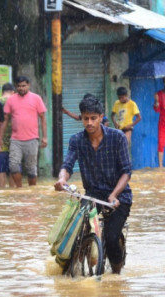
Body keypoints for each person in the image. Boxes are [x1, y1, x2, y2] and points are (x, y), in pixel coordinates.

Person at [54, 95, 132, 274]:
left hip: (119, 197)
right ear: (81, 118)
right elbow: (67, 165)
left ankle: (117, 276)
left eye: (93, 118)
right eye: (85, 118)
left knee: (112, 239)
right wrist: (62, 179)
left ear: (101, 117)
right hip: (92, 196)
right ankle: (76, 261)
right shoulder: (76, 140)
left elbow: (127, 171)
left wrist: (114, 195)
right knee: (73, 234)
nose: (89, 122)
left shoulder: (117, 137)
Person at [0, 75, 47, 187]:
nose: (21, 88)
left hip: (32, 139)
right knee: (13, 166)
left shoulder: (36, 98)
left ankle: (32, 189)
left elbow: (43, 118)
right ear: (16, 87)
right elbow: (5, 120)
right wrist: (0, 140)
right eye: (19, 86)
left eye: (24, 86)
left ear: (28, 85)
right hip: (15, 140)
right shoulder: (11, 100)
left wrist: (44, 137)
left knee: (31, 169)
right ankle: (19, 188)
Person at [0, 83, 15, 188]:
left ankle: (2, 189)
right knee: (13, 167)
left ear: (2, 92)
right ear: (13, 92)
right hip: (15, 139)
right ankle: (12, 190)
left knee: (0, 167)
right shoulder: (15, 101)